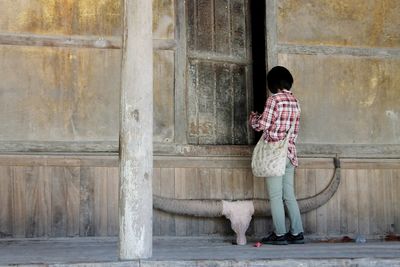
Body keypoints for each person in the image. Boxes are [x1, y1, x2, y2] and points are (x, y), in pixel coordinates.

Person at [249, 66, 304, 245]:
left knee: (275, 196)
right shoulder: (295, 101)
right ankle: (297, 233)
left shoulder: (274, 100)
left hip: (274, 155)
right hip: (289, 153)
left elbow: (262, 125)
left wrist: (253, 119)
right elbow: (294, 130)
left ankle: (279, 234)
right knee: (289, 195)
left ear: (272, 83)